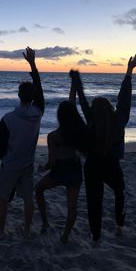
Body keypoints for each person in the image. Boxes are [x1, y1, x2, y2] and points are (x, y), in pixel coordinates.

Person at [72, 55, 136, 241]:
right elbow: (124, 100)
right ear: (110, 108)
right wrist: (129, 70)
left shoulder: (91, 121)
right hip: (112, 165)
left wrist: (76, 81)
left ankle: (95, 234)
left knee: (94, 201)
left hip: (92, 165)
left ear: (94, 112)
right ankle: (119, 224)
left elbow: (83, 102)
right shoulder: (119, 121)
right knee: (120, 192)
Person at [0, 47, 44, 240]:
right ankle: (27, 229)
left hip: (11, 164)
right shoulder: (38, 113)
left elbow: (0, 146)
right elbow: (40, 91)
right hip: (27, 163)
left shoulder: (8, 119)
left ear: (18, 95)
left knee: (3, 197)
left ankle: (0, 230)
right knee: (28, 198)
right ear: (31, 98)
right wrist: (32, 64)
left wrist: (6, 158)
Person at [35, 71, 87, 244]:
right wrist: (74, 84)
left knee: (39, 189)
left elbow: (51, 163)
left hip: (60, 171)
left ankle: (45, 223)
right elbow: (71, 103)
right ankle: (65, 236)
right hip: (74, 170)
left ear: (59, 116)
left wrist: (42, 168)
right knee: (72, 206)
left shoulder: (53, 137)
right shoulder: (77, 132)